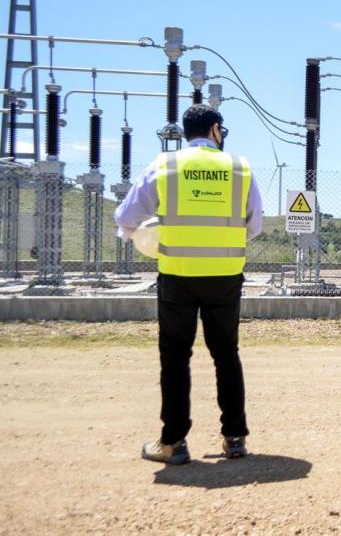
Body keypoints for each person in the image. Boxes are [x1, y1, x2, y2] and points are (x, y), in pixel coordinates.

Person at [115, 104, 263, 465]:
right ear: (215, 129)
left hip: (178, 275)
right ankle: (235, 437)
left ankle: (173, 442)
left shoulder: (164, 165)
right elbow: (254, 225)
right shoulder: (239, 168)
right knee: (226, 354)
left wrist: (150, 235)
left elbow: (125, 218)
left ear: (186, 131)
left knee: (176, 357)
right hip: (225, 275)